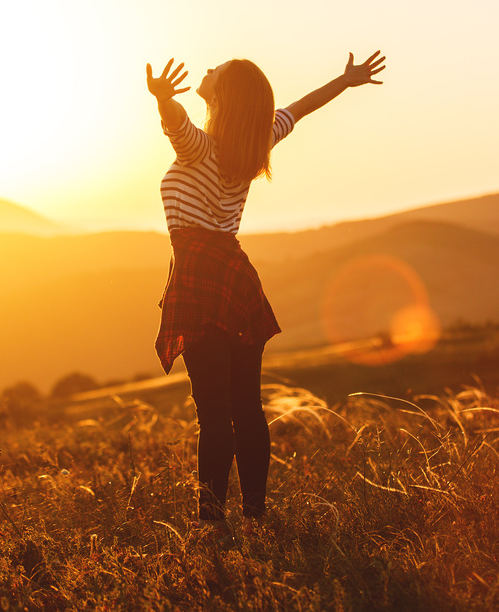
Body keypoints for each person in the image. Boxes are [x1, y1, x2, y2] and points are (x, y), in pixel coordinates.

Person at [145, 51, 386, 529]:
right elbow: (302, 106)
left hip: (198, 277)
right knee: (246, 408)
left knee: (213, 415)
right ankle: (255, 516)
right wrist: (344, 80)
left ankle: (211, 526)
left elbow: (178, 127)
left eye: (216, 71)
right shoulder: (257, 140)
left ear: (223, 94)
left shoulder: (200, 148)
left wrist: (163, 103)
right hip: (236, 278)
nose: (208, 70)